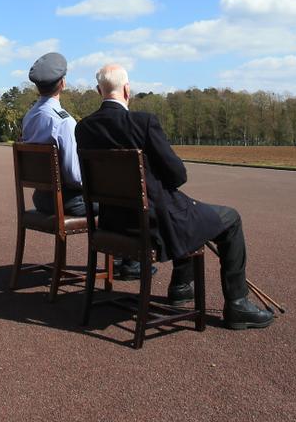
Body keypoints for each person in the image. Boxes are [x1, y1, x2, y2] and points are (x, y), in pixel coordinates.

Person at [74, 63, 274, 330]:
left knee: (186, 211)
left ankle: (181, 286)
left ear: (99, 90)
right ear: (127, 89)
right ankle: (237, 304)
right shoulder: (143, 122)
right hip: (154, 224)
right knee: (230, 219)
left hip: (114, 223)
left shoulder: (83, 128)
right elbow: (178, 175)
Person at [20, 52, 147, 280]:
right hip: (68, 201)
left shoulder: (29, 116)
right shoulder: (64, 122)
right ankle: (130, 262)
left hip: (42, 198)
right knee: (125, 201)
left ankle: (117, 258)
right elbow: (75, 177)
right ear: (63, 83)